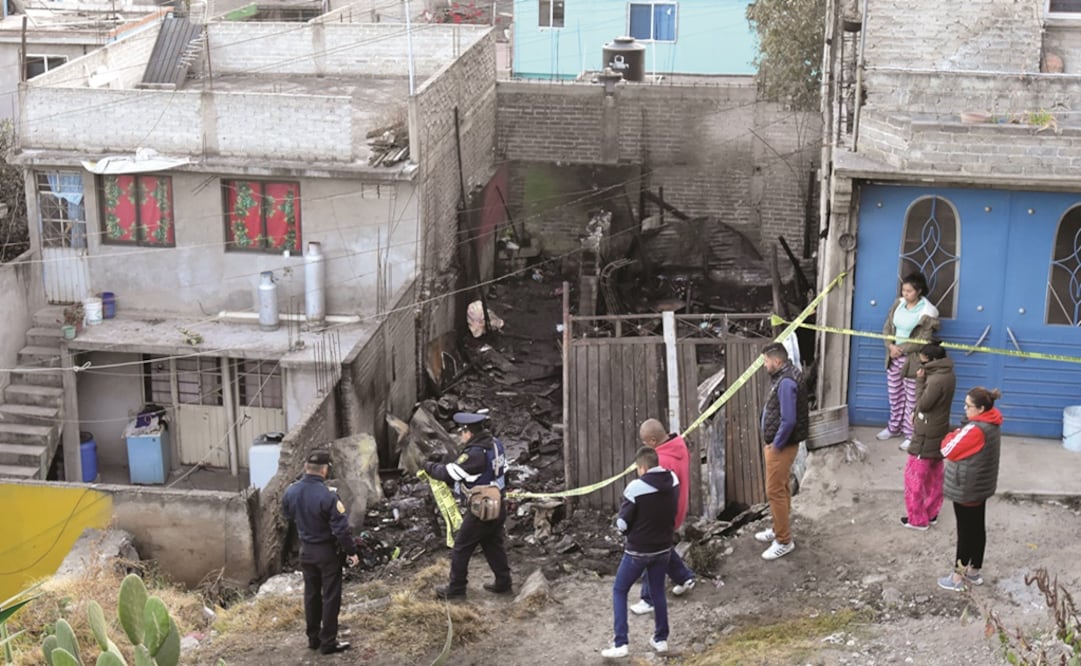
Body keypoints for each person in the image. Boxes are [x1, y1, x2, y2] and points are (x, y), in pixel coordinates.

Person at [423, 411, 512, 600]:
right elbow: (506, 473)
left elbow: (450, 474)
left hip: (481, 511)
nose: (461, 436)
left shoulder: (474, 453)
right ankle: (503, 582)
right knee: (492, 544)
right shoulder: (496, 444)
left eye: (462, 432)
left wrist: (428, 466)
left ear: (468, 432)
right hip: (499, 504)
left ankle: (456, 589)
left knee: (461, 547)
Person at [602, 447, 678, 659]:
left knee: (619, 590)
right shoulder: (673, 479)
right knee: (658, 591)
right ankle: (661, 639)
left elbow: (623, 523)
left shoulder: (635, 487)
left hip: (638, 550)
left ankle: (621, 642)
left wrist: (620, 523)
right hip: (664, 547)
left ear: (642, 468)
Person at [281, 449, 359, 655]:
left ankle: (313, 638)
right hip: (326, 552)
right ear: (325, 470)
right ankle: (328, 642)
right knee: (331, 596)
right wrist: (352, 552)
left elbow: (287, 515)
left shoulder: (291, 491)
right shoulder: (328, 496)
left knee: (311, 594)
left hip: (305, 551)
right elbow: (341, 529)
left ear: (306, 468)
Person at [938, 387, 1003, 592]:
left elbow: (947, 449)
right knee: (977, 528)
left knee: (965, 532)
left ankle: (957, 577)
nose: (964, 409)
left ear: (981, 408)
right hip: (980, 486)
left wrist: (954, 434)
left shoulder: (975, 429)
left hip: (966, 487)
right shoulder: (992, 424)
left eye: (968, 406)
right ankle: (974, 571)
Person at [631, 419, 696, 616]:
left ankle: (648, 598)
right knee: (663, 546)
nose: (643, 446)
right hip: (677, 508)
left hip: (662, 514)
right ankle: (684, 577)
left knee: (649, 551)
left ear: (652, 440)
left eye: (644, 442)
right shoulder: (679, 446)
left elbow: (650, 492)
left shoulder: (660, 462)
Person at [754, 342, 809, 561]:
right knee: (782, 487)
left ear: (777, 361)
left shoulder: (786, 382)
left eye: (766, 361)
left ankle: (784, 541)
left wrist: (775, 445)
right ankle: (779, 528)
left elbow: (788, 420)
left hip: (782, 446)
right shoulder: (786, 374)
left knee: (775, 491)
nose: (764, 365)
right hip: (783, 443)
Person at [879, 272, 941, 452]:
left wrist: (902, 349)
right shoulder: (898, 305)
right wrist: (890, 346)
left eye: (909, 291)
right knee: (894, 394)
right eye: (903, 290)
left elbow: (924, 338)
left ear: (919, 291)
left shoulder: (927, 312)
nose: (904, 294)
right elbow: (887, 327)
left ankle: (910, 433)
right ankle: (893, 427)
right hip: (893, 357)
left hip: (912, 360)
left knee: (912, 398)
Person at [900, 340, 955, 530]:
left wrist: (920, 381)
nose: (921, 365)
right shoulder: (948, 374)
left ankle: (917, 519)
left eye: (923, 362)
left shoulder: (936, 380)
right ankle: (931, 513)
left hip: (926, 432)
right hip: (938, 430)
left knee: (913, 477)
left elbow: (924, 404)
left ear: (932, 360)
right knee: (934, 474)